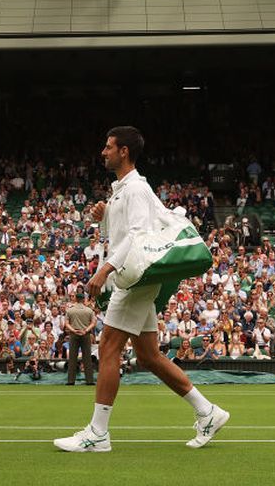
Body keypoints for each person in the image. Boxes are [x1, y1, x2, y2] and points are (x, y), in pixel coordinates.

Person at [54, 127, 229, 453]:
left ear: (123, 151)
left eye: (108, 147)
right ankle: (207, 412)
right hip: (136, 279)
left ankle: (98, 434)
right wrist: (104, 218)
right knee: (148, 356)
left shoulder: (135, 188)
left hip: (133, 280)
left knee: (108, 349)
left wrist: (105, 268)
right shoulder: (124, 190)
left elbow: (137, 237)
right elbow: (120, 234)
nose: (103, 152)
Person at [64, 291, 95, 386]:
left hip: (74, 334)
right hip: (85, 334)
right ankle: (89, 380)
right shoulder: (89, 310)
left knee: (72, 358)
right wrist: (86, 330)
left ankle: (71, 381)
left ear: (76, 299)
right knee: (87, 358)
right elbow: (93, 323)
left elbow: (66, 323)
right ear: (84, 299)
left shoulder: (70, 310)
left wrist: (73, 330)